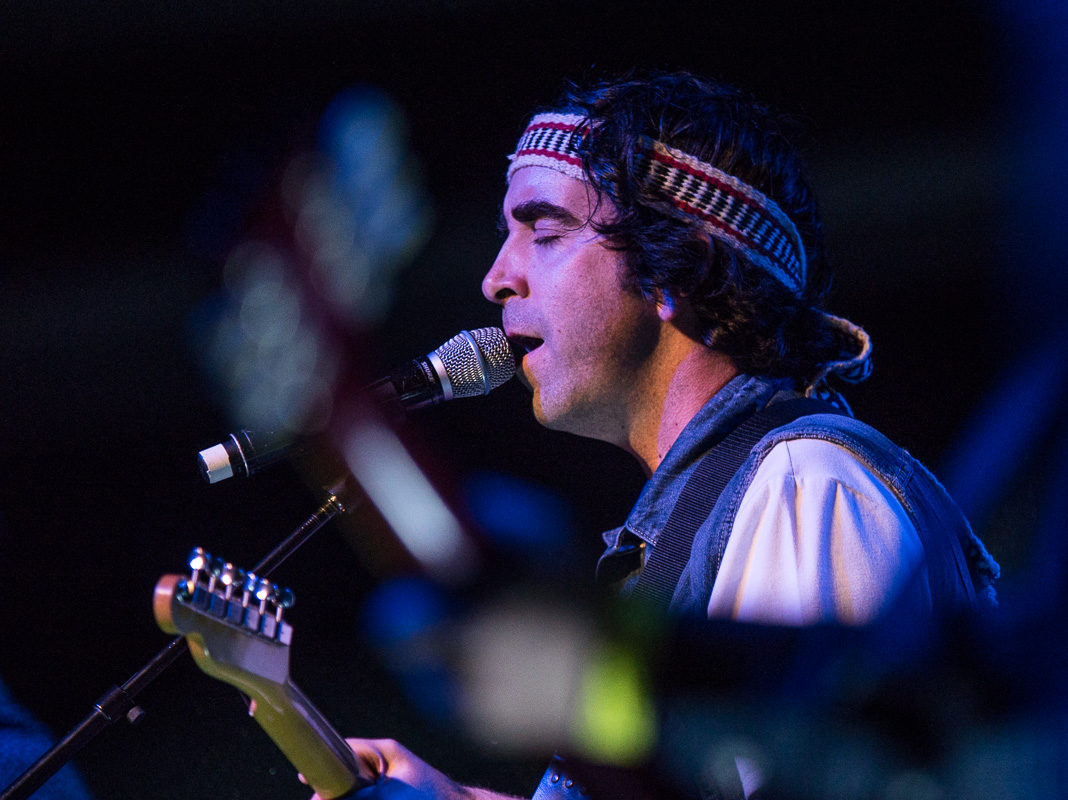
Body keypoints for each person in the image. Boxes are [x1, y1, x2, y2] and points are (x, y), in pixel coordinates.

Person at [327, 71, 998, 800]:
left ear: (678, 265)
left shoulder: (808, 485)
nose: (496, 279)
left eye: (545, 233)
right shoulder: (712, 517)